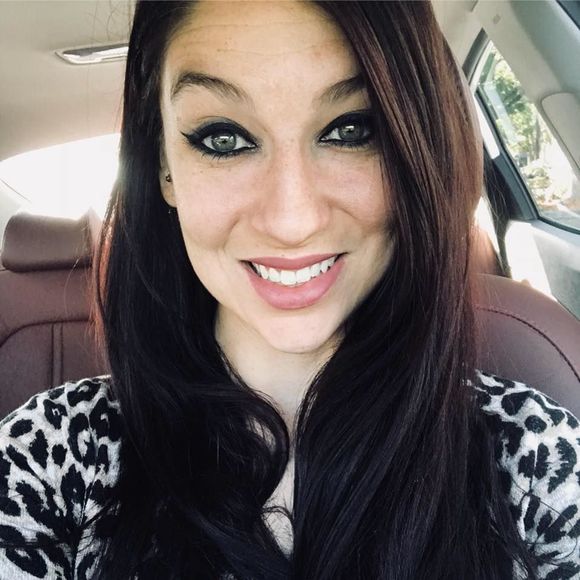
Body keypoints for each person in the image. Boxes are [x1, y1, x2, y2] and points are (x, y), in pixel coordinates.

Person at [1, 1, 579, 579]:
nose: (291, 220)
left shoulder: (532, 459)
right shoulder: (49, 458)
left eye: (352, 130)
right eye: (223, 138)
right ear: (164, 170)